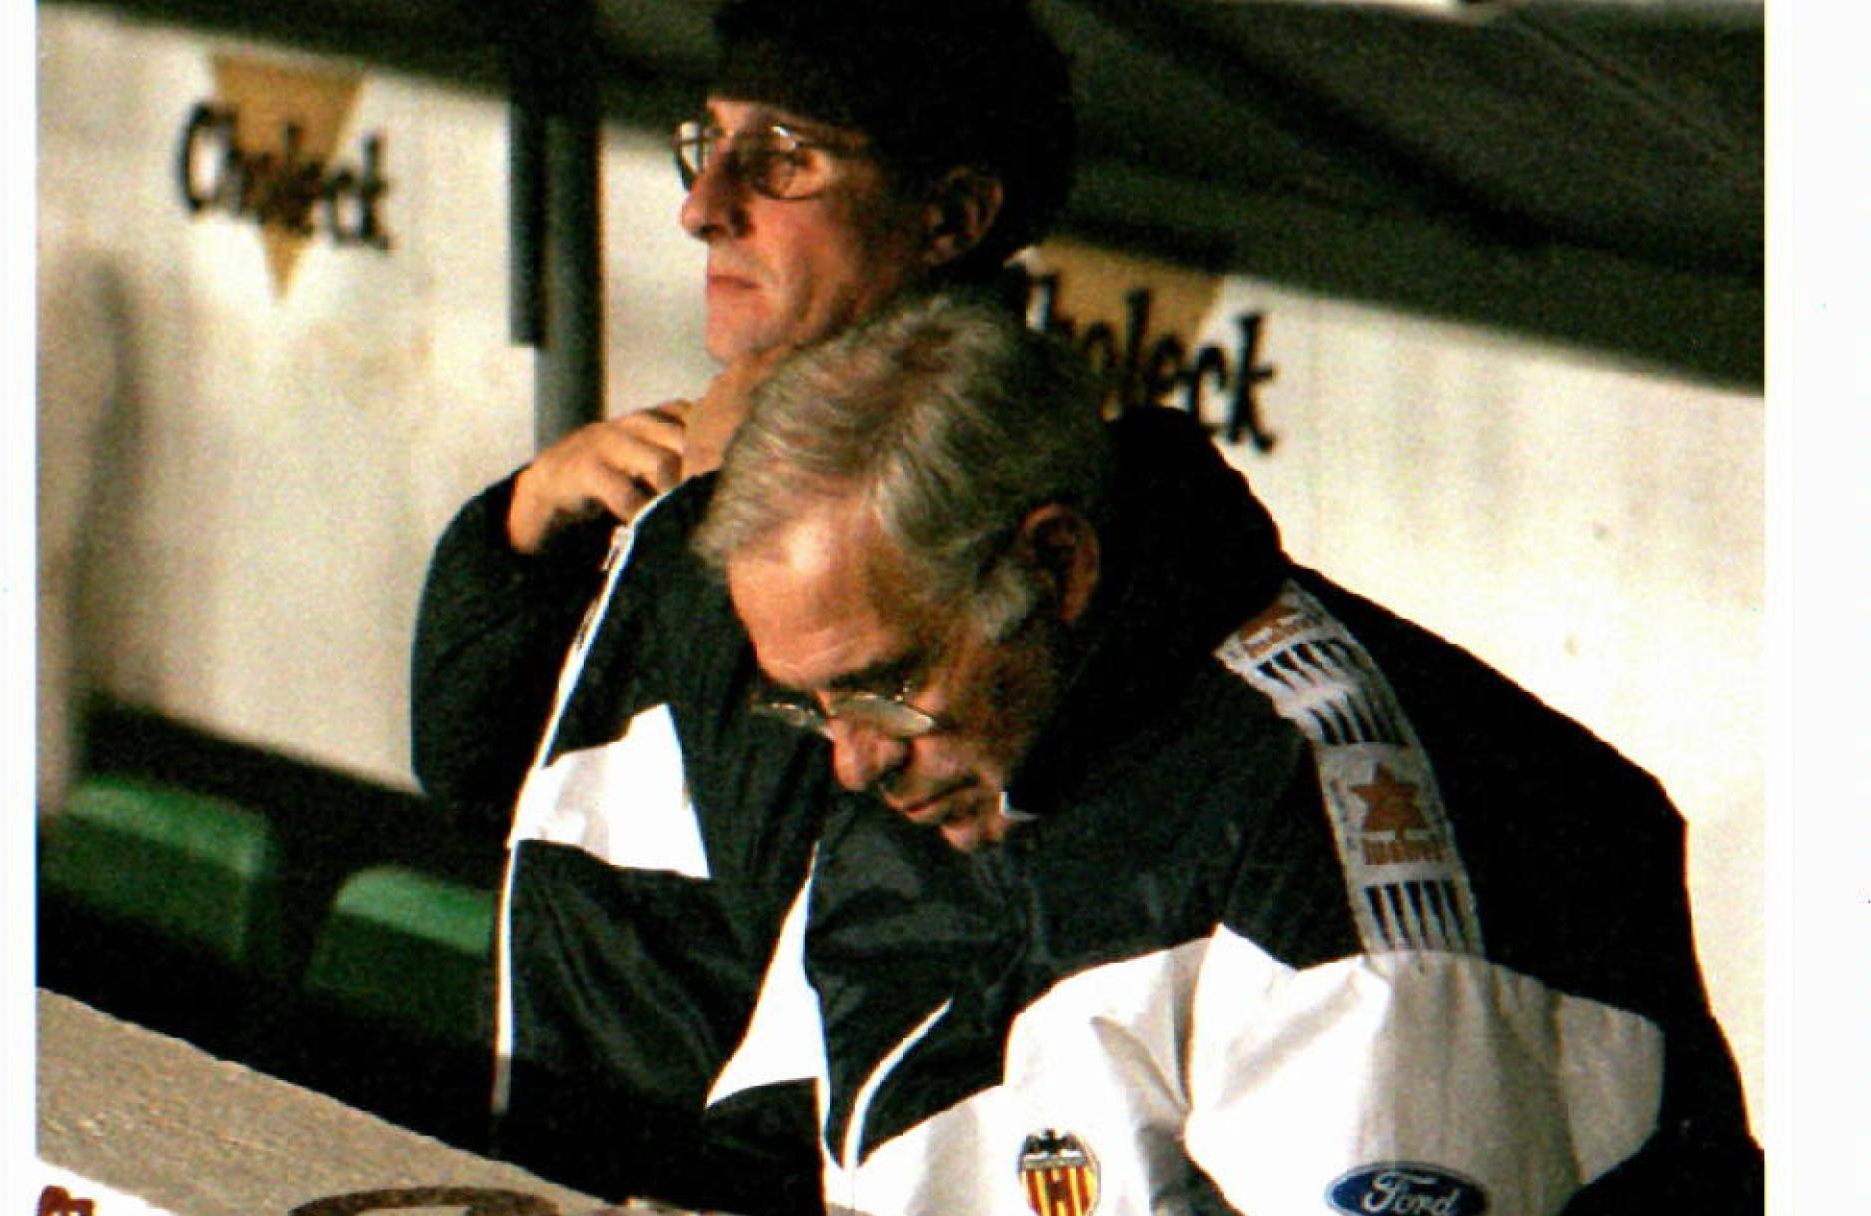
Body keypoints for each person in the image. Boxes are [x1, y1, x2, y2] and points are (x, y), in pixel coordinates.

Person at [693, 295, 1763, 1214]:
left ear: (1056, 565)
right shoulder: (931, 767)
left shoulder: (1335, 820)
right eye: (811, 704)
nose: (851, 760)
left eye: (887, 683)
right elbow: (767, 1156)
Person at [408, 1, 1074, 1210]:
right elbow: (468, 769)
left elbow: (817, 884)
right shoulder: (680, 495)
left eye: (785, 159)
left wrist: (722, 523)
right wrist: (520, 532)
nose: (703, 205)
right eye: (706, 145)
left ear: (953, 218)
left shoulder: (943, 541)